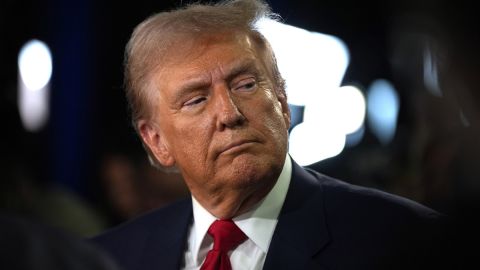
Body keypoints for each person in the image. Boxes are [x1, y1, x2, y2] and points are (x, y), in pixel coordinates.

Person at [91, 0, 451, 269]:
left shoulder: (405, 240)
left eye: (246, 85)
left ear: (282, 102)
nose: (229, 114)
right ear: (156, 141)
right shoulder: (106, 259)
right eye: (197, 100)